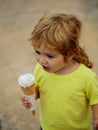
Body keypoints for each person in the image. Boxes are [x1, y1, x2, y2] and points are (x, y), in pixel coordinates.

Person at [21, 13, 98, 130]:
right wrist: (29, 98)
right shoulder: (40, 69)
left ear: (70, 54)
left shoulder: (86, 77)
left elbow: (95, 100)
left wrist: (96, 118)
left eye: (49, 56)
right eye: (37, 52)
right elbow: (37, 92)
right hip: (47, 127)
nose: (41, 60)